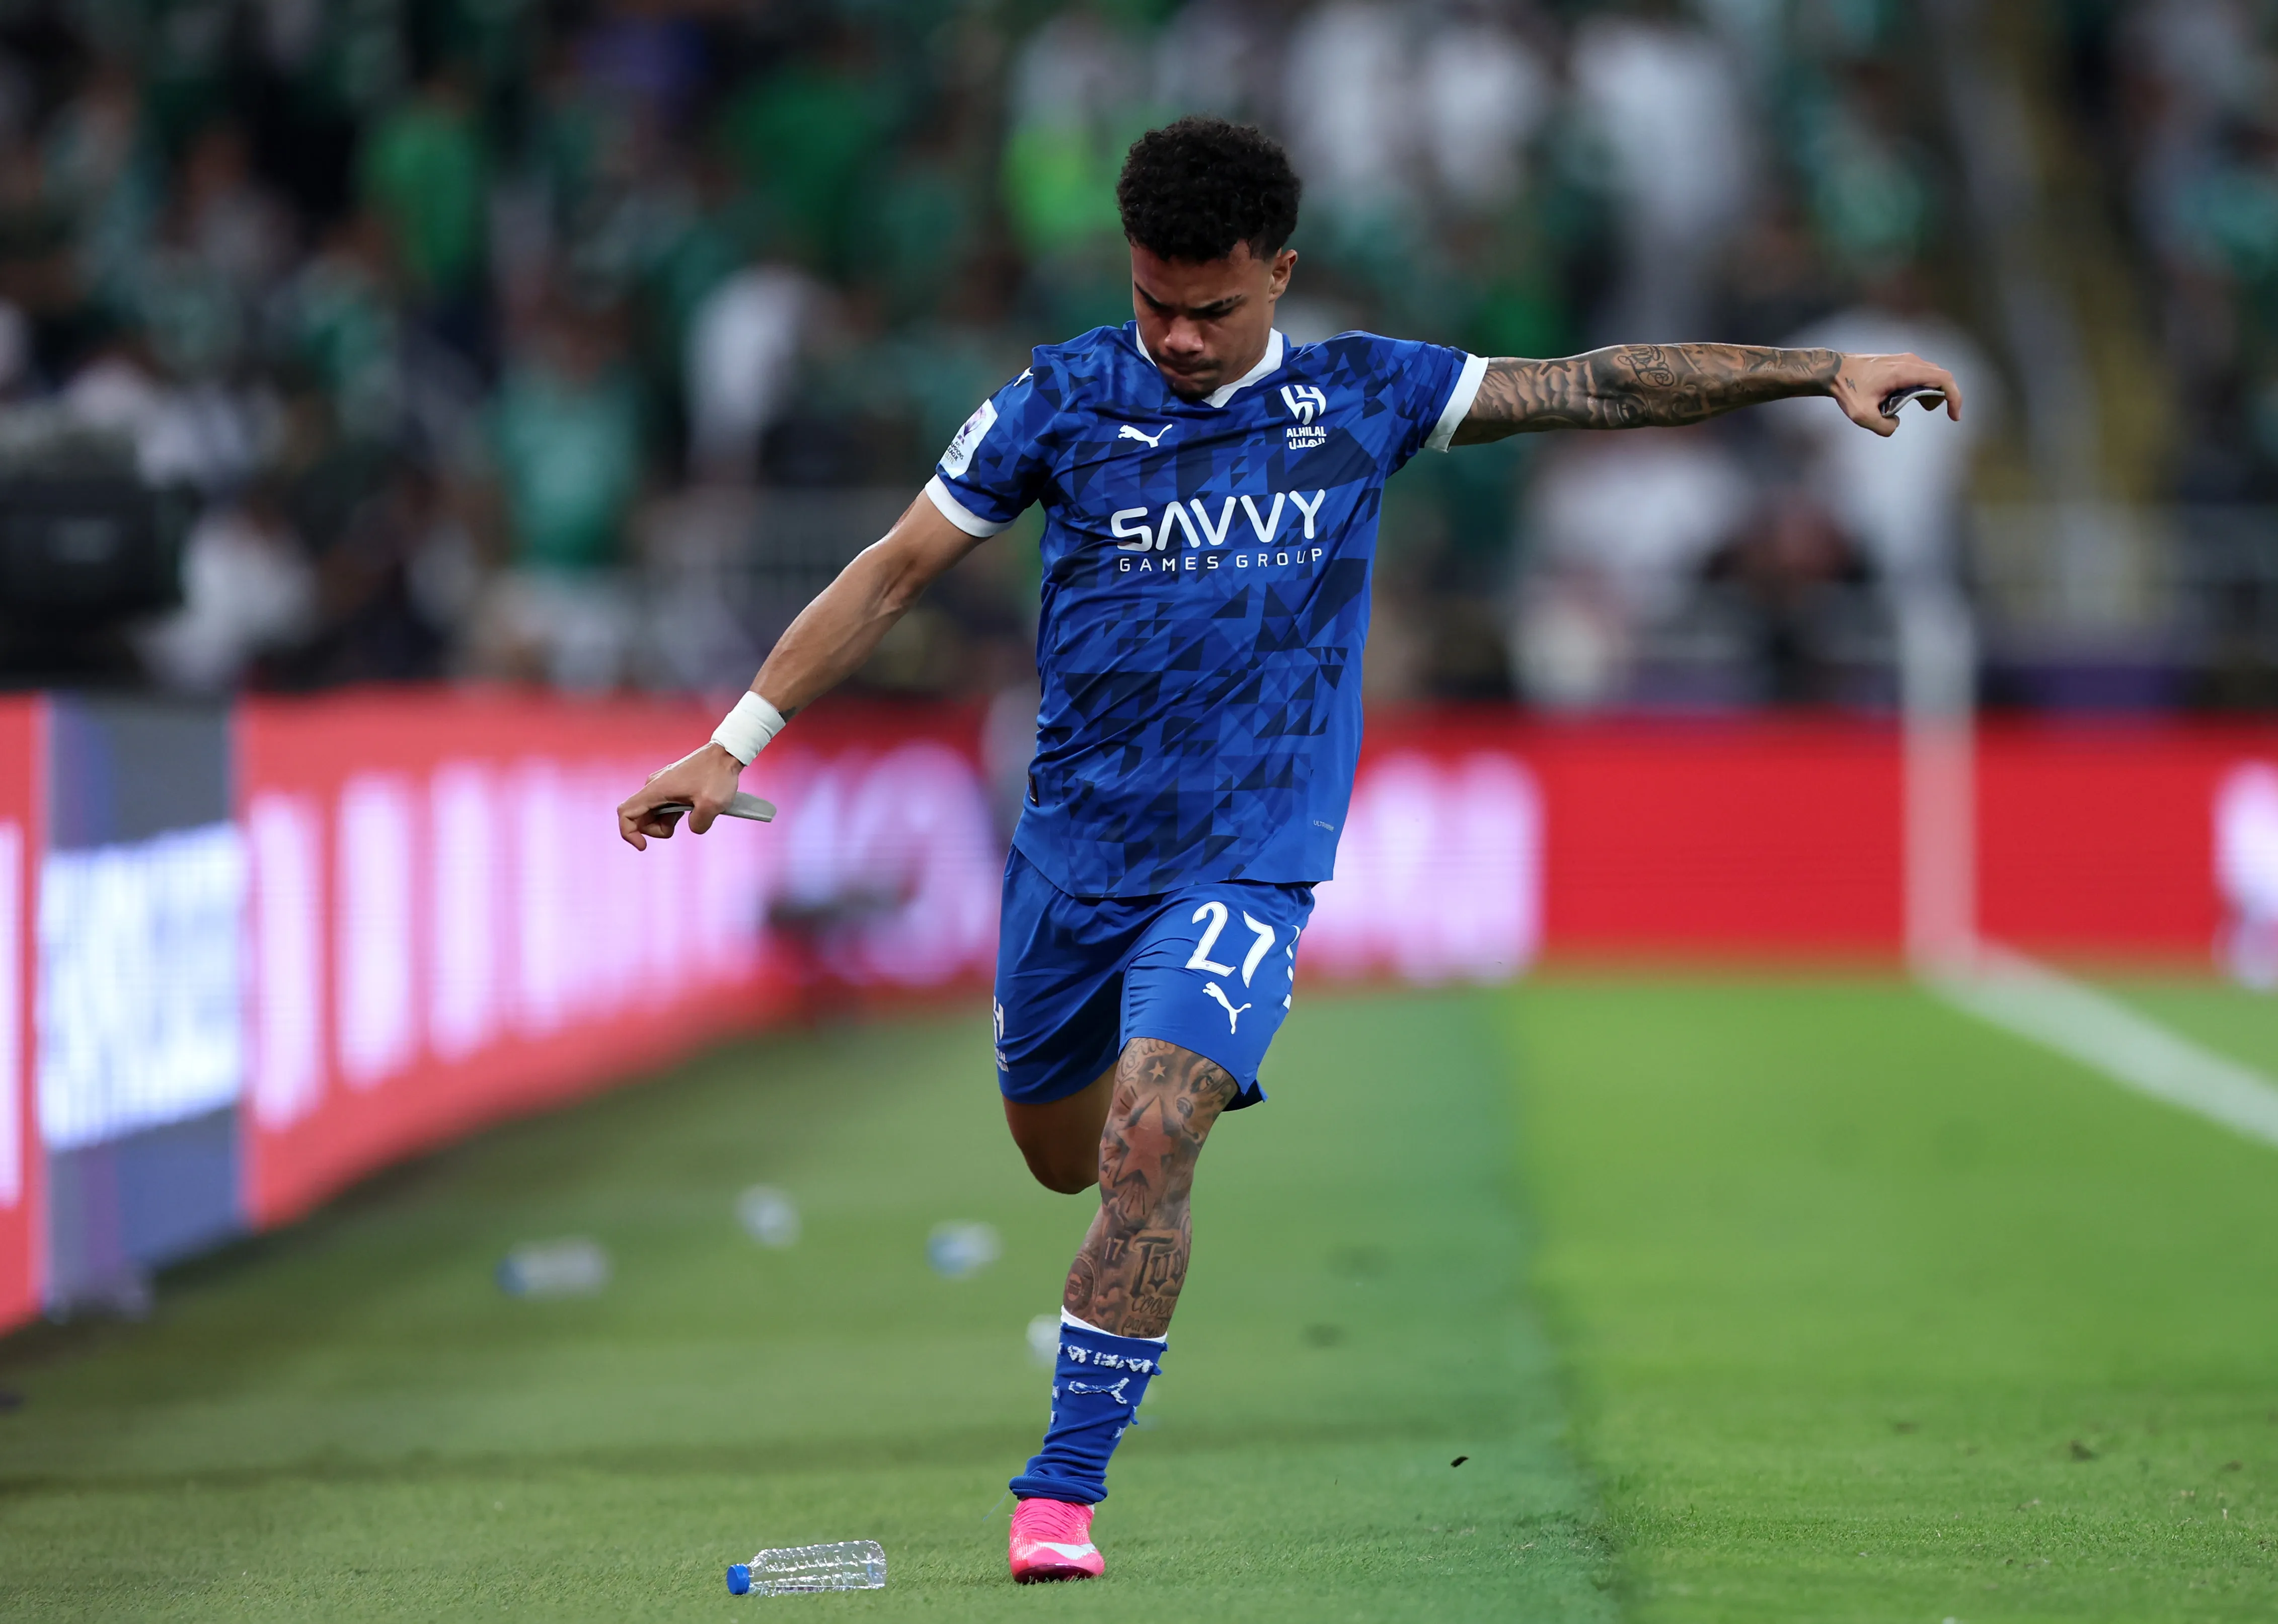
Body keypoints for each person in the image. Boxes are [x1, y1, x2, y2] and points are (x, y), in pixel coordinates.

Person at [615, 115, 1959, 1585]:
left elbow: (1594, 386)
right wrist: (730, 739)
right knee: (1061, 1157)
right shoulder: (1058, 400)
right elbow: (891, 576)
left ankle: (1058, 1496)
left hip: (1247, 856)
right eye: (1153, 305)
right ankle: (1084, 1226)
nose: (1178, 339)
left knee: (1154, 1136)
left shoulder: (1361, 393)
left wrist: (1815, 371)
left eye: (1211, 308)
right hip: (1074, 858)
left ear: (1280, 275)